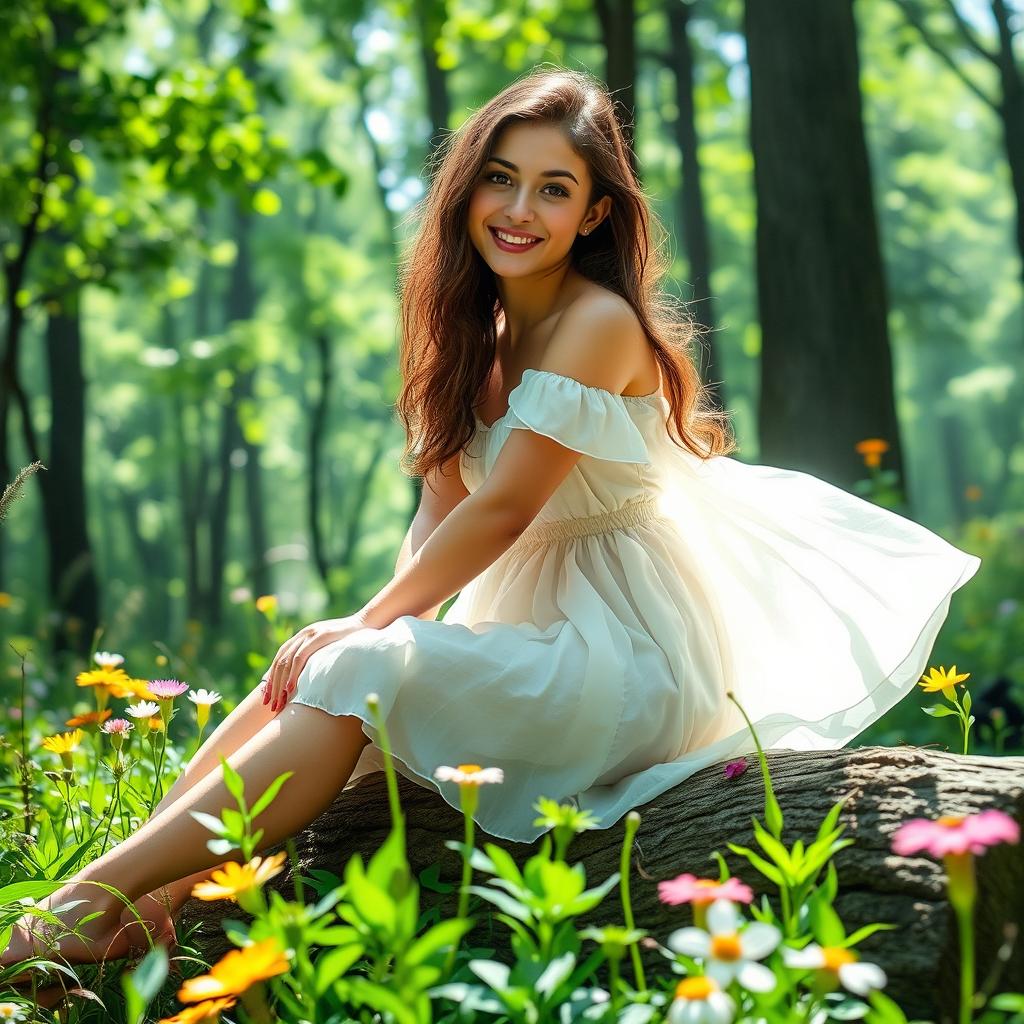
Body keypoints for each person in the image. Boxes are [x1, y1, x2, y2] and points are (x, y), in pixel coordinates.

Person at [1, 66, 981, 979]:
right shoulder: (474, 331)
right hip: (532, 628)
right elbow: (438, 511)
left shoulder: (596, 322)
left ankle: (78, 904)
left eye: (554, 189)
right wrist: (368, 622)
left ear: (594, 211)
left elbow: (506, 507)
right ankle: (152, 895)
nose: (520, 209)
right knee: (296, 675)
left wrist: (371, 626)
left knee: (351, 659)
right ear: (466, 188)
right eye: (501, 179)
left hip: (627, 650)